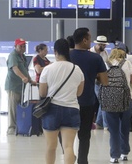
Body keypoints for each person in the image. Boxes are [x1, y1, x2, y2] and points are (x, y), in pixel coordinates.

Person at [39, 38, 85, 164]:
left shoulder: (48, 69)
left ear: (55, 51)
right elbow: (79, 93)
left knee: (51, 146)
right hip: (71, 109)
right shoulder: (77, 69)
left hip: (51, 110)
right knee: (68, 146)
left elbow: (42, 93)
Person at [70, 27, 108, 164]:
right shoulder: (95, 58)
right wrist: (94, 76)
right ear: (84, 40)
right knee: (84, 136)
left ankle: (69, 157)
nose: (91, 42)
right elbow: (105, 81)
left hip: (68, 102)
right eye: (90, 39)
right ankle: (82, 161)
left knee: (67, 134)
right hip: (87, 101)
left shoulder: (67, 56)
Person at [104, 48, 132, 163]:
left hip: (110, 100)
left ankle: (114, 156)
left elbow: (102, 81)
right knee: (125, 127)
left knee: (113, 129)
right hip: (127, 98)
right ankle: (124, 153)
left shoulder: (106, 63)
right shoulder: (127, 63)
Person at [5, 38, 36, 135]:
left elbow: (25, 70)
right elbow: (15, 68)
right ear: (15, 46)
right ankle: (11, 128)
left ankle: (19, 127)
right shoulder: (13, 55)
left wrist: (30, 80)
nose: (23, 48)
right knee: (13, 108)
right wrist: (23, 77)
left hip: (21, 87)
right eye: (20, 46)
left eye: (24, 46)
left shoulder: (22, 56)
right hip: (13, 86)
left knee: (20, 107)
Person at [90, 35, 110, 130]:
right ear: (99, 44)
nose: (104, 47)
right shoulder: (90, 53)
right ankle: (106, 124)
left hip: (101, 80)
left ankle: (99, 123)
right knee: (104, 101)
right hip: (93, 81)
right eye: (103, 45)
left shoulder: (104, 53)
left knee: (102, 101)